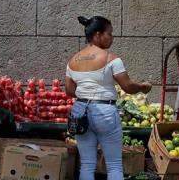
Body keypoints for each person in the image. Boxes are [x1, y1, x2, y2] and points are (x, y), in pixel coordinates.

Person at [65, 16, 152, 180]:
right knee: (114, 165)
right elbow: (127, 87)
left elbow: (70, 90)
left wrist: (86, 93)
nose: (112, 38)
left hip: (80, 112)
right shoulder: (111, 58)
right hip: (104, 112)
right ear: (98, 34)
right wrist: (142, 87)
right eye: (109, 34)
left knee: (87, 164)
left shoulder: (73, 60)